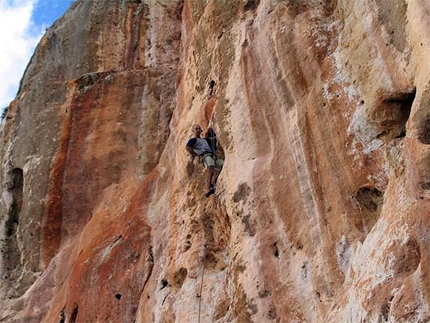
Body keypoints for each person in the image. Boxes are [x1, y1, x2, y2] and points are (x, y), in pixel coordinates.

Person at [186, 124, 224, 197]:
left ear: (201, 130)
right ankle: (207, 189)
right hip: (205, 156)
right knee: (210, 168)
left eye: (198, 128)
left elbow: (213, 139)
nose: (197, 130)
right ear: (193, 131)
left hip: (211, 155)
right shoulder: (193, 140)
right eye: (196, 129)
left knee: (221, 164)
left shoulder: (205, 140)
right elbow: (188, 148)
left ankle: (213, 181)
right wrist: (196, 154)